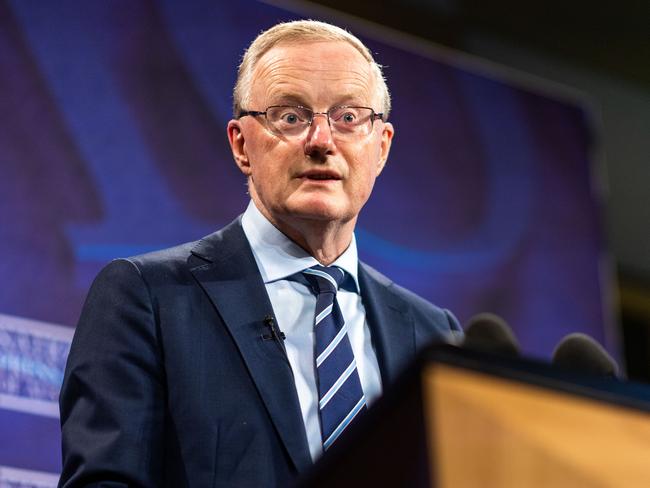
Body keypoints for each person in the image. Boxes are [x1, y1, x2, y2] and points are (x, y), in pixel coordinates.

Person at [58, 20, 461, 488]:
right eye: (290, 117)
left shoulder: (433, 333)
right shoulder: (148, 298)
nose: (321, 141)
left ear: (382, 148)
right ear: (241, 144)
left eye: (348, 118)